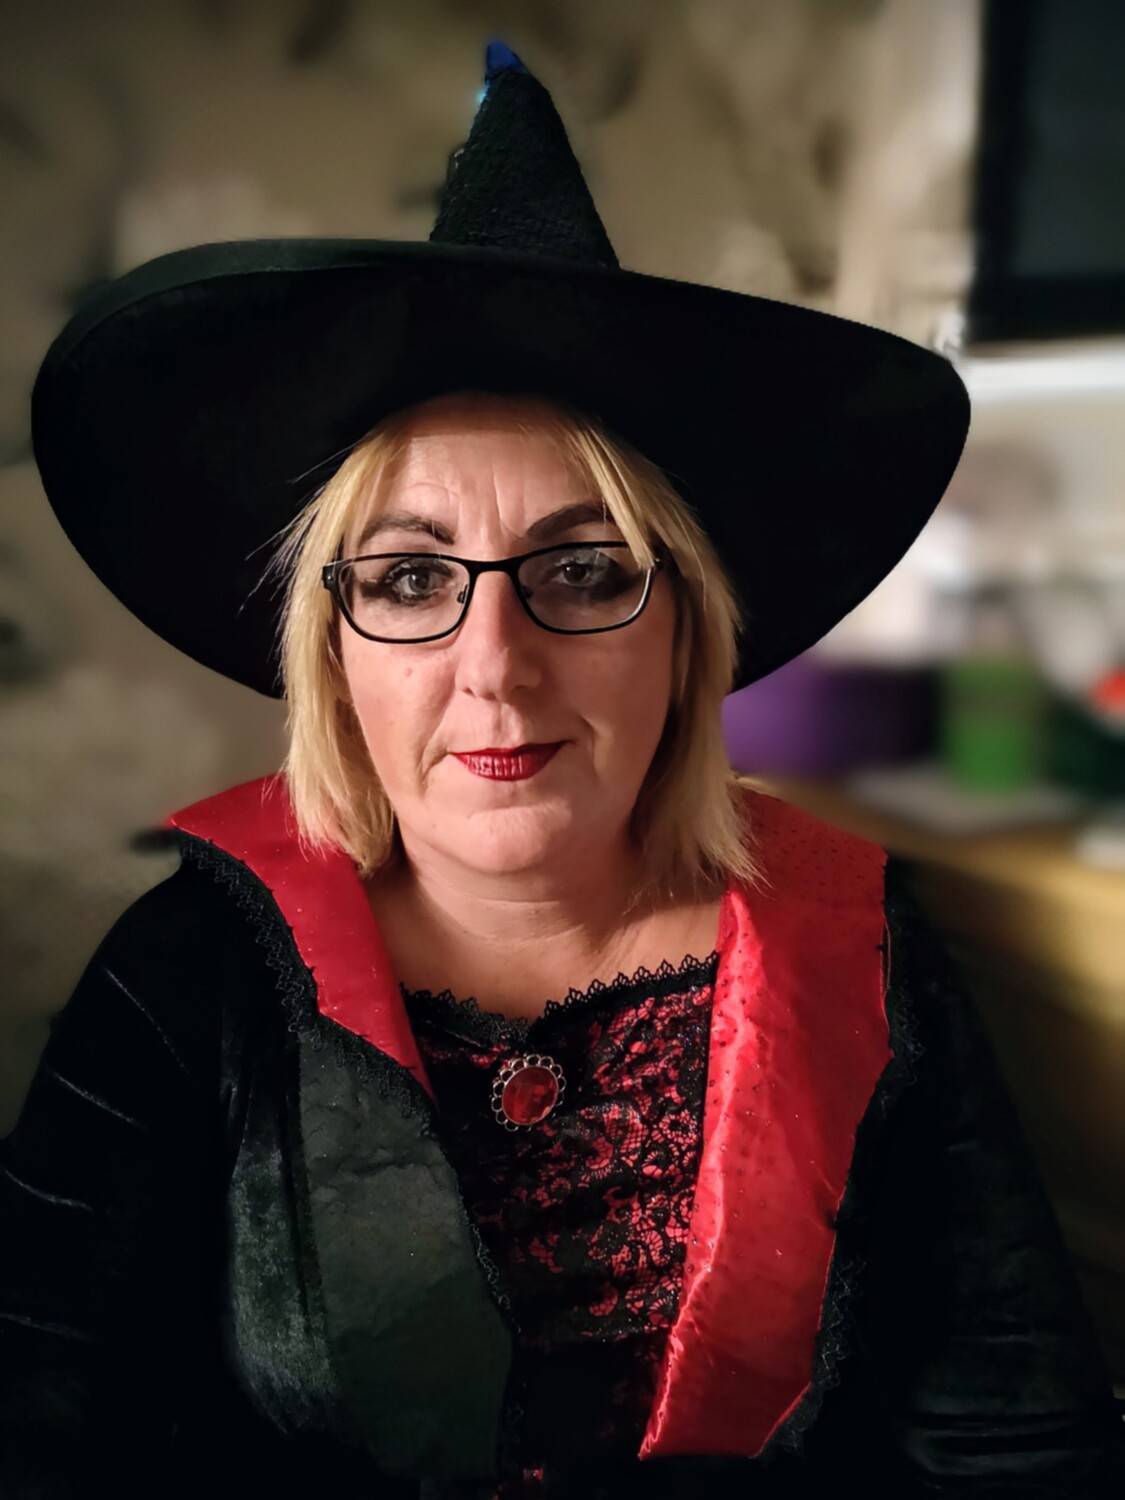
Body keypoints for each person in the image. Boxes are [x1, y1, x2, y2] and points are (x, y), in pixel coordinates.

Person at [3, 42, 1121, 1500]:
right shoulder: (186, 969)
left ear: (685, 632)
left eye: (583, 570)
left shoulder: (862, 950)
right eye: (410, 579)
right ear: (332, 650)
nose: (496, 666)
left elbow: (1013, 1443)